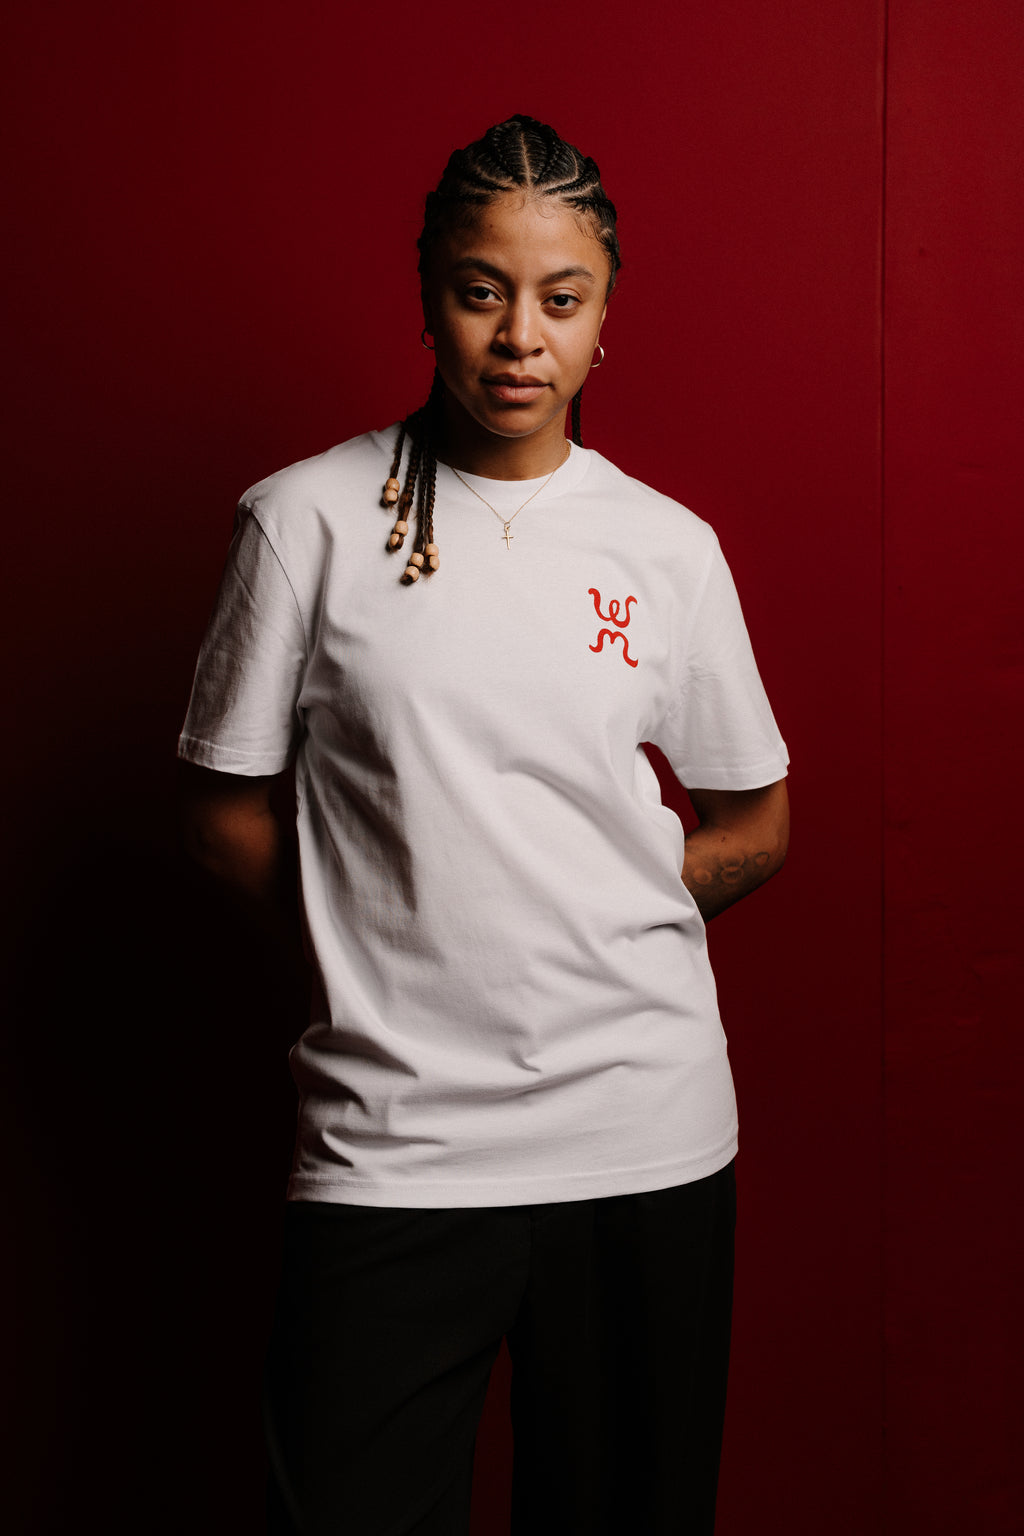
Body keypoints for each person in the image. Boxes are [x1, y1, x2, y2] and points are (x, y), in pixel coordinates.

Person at [177, 114, 789, 1536]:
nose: (521, 336)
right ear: (428, 293)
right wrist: (395, 939)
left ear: (602, 320)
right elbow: (222, 820)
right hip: (395, 1141)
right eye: (481, 289)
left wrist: (591, 918)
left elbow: (758, 821)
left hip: (642, 1132)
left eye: (561, 300)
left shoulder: (664, 549)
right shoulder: (304, 523)